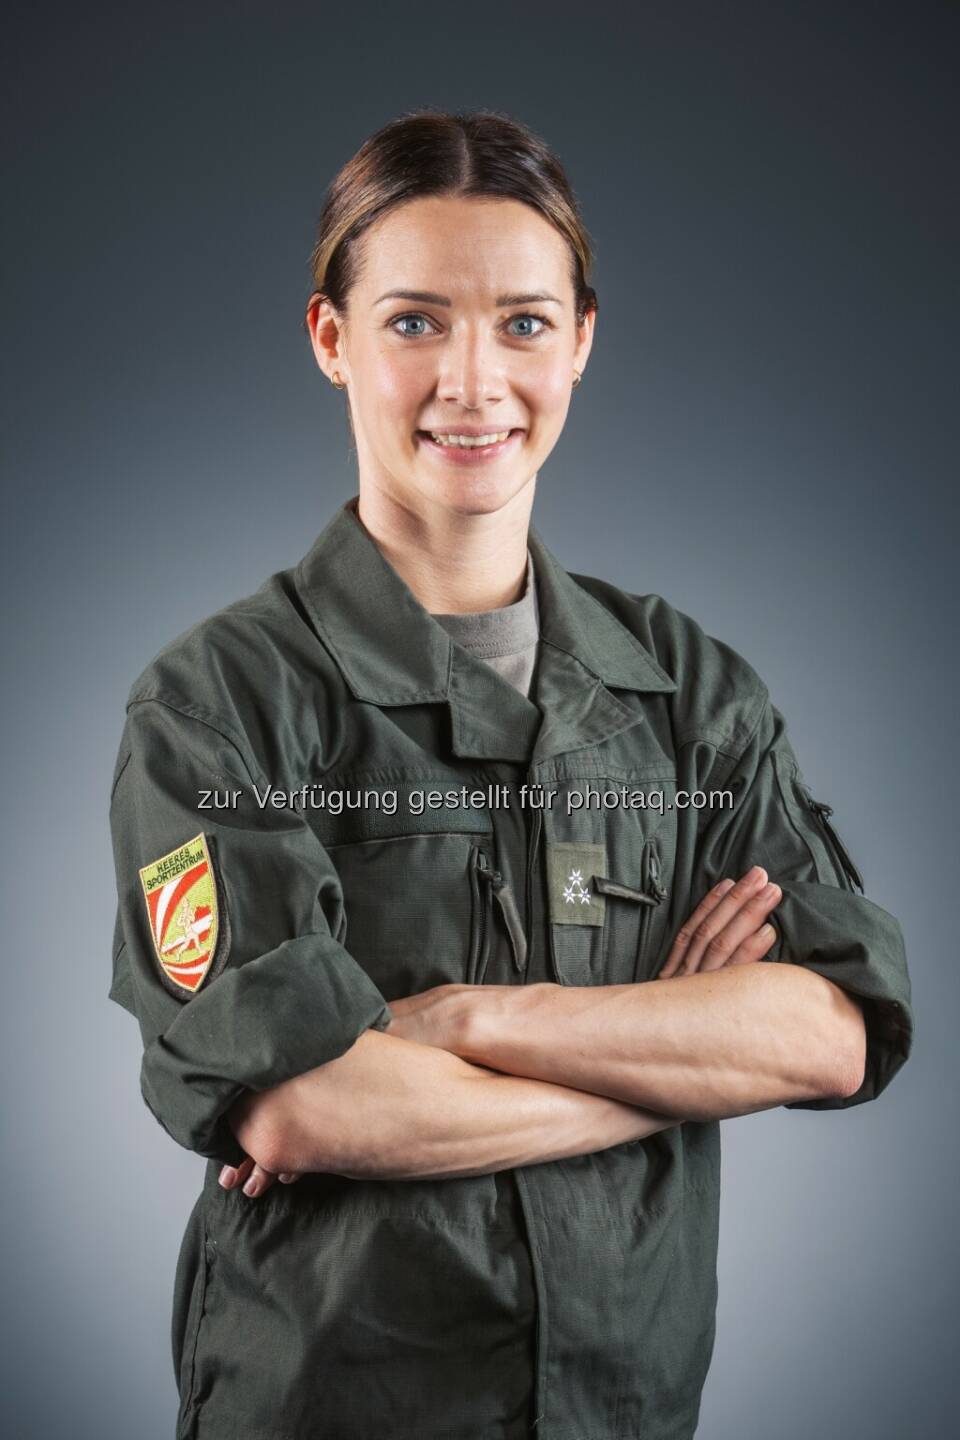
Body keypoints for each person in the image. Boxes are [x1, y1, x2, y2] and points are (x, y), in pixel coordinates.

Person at [108, 109, 913, 1440]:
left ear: (583, 340)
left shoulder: (690, 691)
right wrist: (669, 1056)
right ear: (332, 340)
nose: (475, 383)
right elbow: (307, 1107)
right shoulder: (219, 704)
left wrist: (466, 1022)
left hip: (629, 1411)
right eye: (417, 321)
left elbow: (829, 1035)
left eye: (525, 323)